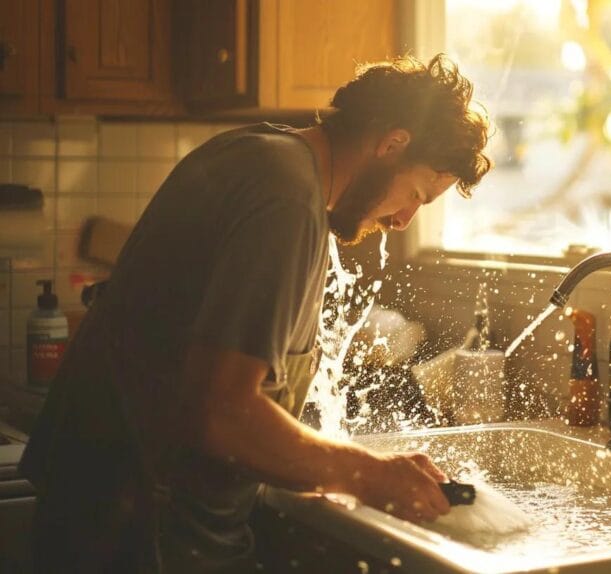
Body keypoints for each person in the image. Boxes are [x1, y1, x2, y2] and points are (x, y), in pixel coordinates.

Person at [19, 54, 491, 573]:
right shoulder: (285, 196)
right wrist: (372, 474)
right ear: (391, 143)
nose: (404, 220)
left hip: (110, 516)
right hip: (142, 536)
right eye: (418, 194)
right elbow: (223, 413)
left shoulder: (263, 155)